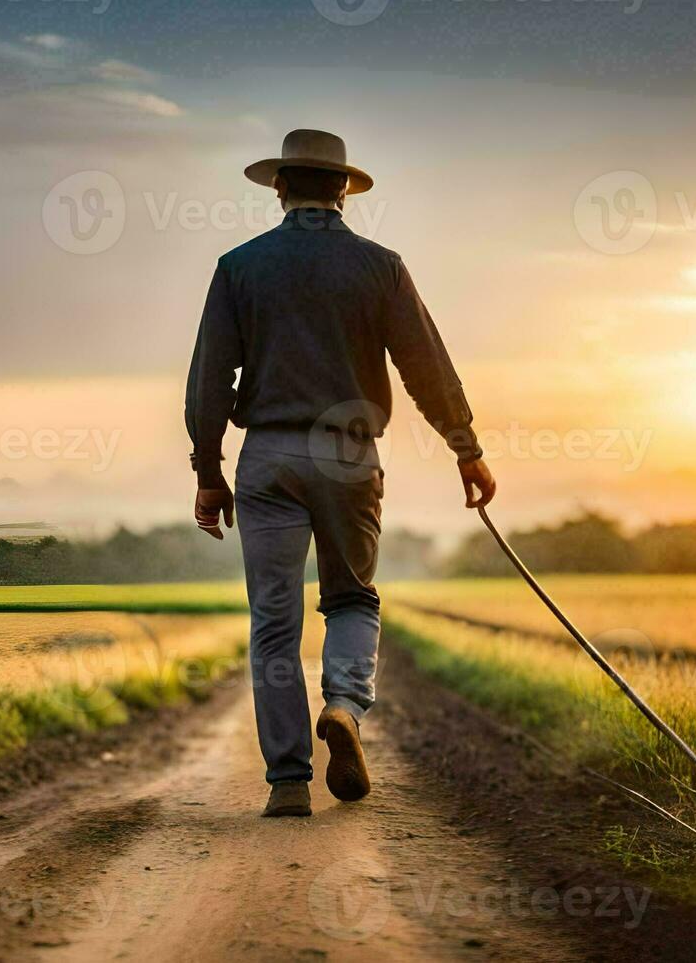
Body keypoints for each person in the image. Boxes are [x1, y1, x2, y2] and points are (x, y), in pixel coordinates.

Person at [184, 128, 496, 817]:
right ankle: (346, 707)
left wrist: (209, 470)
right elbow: (425, 366)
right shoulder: (380, 267)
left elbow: (210, 378)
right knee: (352, 598)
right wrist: (464, 447)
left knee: (273, 621)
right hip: (351, 455)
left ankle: (289, 783)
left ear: (279, 189)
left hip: (267, 454)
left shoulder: (238, 266)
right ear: (344, 193)